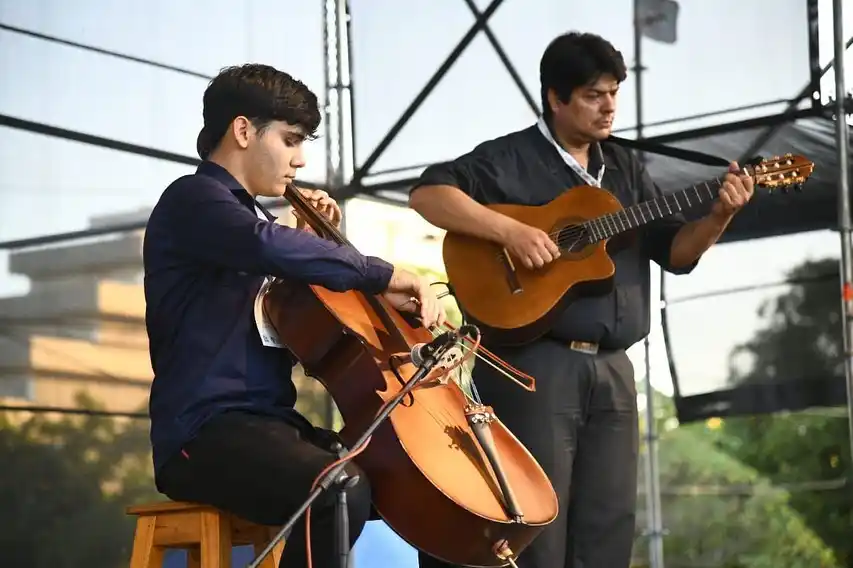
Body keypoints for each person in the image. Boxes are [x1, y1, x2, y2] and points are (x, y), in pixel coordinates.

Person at [408, 32, 754, 568]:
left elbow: (676, 252)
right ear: (556, 98)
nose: (609, 106)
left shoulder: (626, 167)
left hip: (614, 368)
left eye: (614, 92)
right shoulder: (509, 158)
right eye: (594, 95)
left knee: (608, 526)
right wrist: (510, 231)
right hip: (535, 363)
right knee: (537, 525)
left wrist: (719, 217)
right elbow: (428, 195)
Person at [143, 63, 446, 568]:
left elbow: (278, 273)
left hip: (272, 426)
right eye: (291, 140)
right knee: (337, 489)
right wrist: (379, 274)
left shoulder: (258, 223)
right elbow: (263, 245)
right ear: (243, 131)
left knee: (428, 485)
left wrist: (310, 249)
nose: (301, 160)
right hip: (203, 433)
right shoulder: (193, 199)